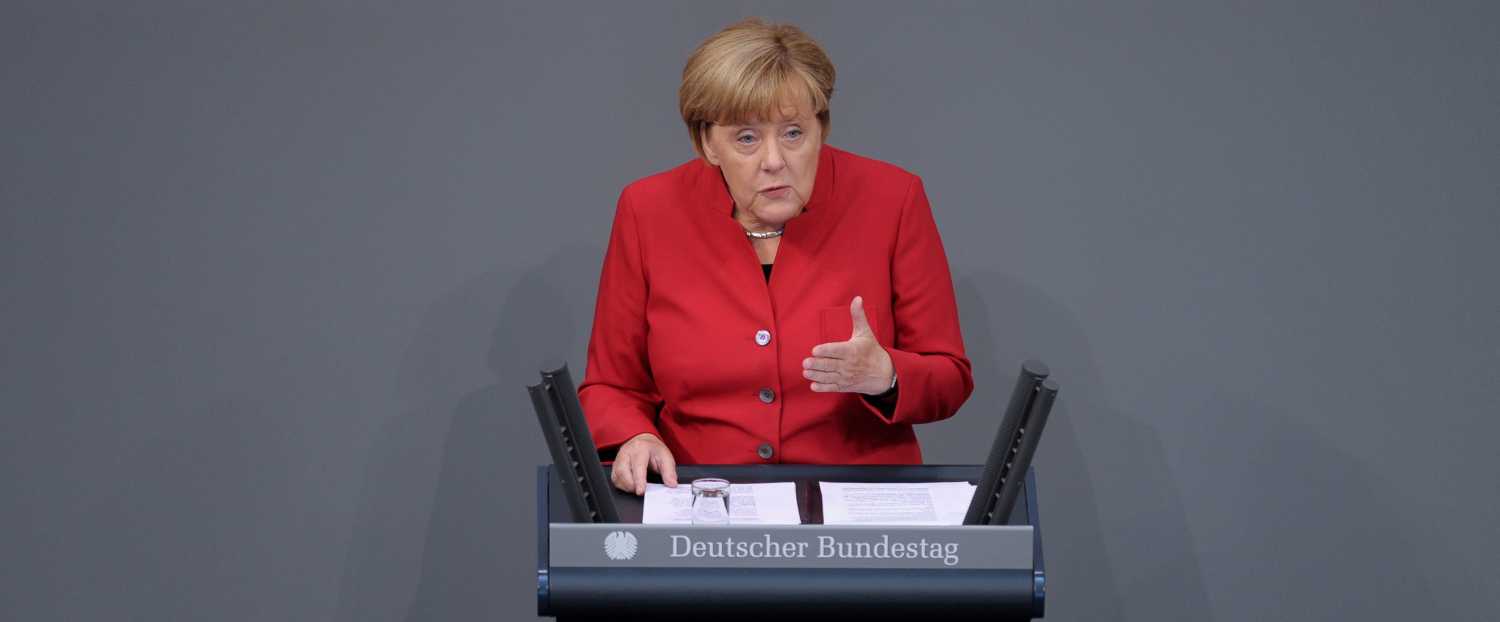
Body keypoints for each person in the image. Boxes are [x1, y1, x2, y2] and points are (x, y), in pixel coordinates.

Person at [579, 18, 973, 495]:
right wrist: (635, 436)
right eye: (746, 138)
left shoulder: (893, 200)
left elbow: (950, 376)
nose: (774, 159)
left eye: (793, 133)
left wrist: (885, 375)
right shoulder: (647, 210)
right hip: (703, 501)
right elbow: (610, 387)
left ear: (820, 128)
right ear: (707, 143)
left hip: (855, 504)